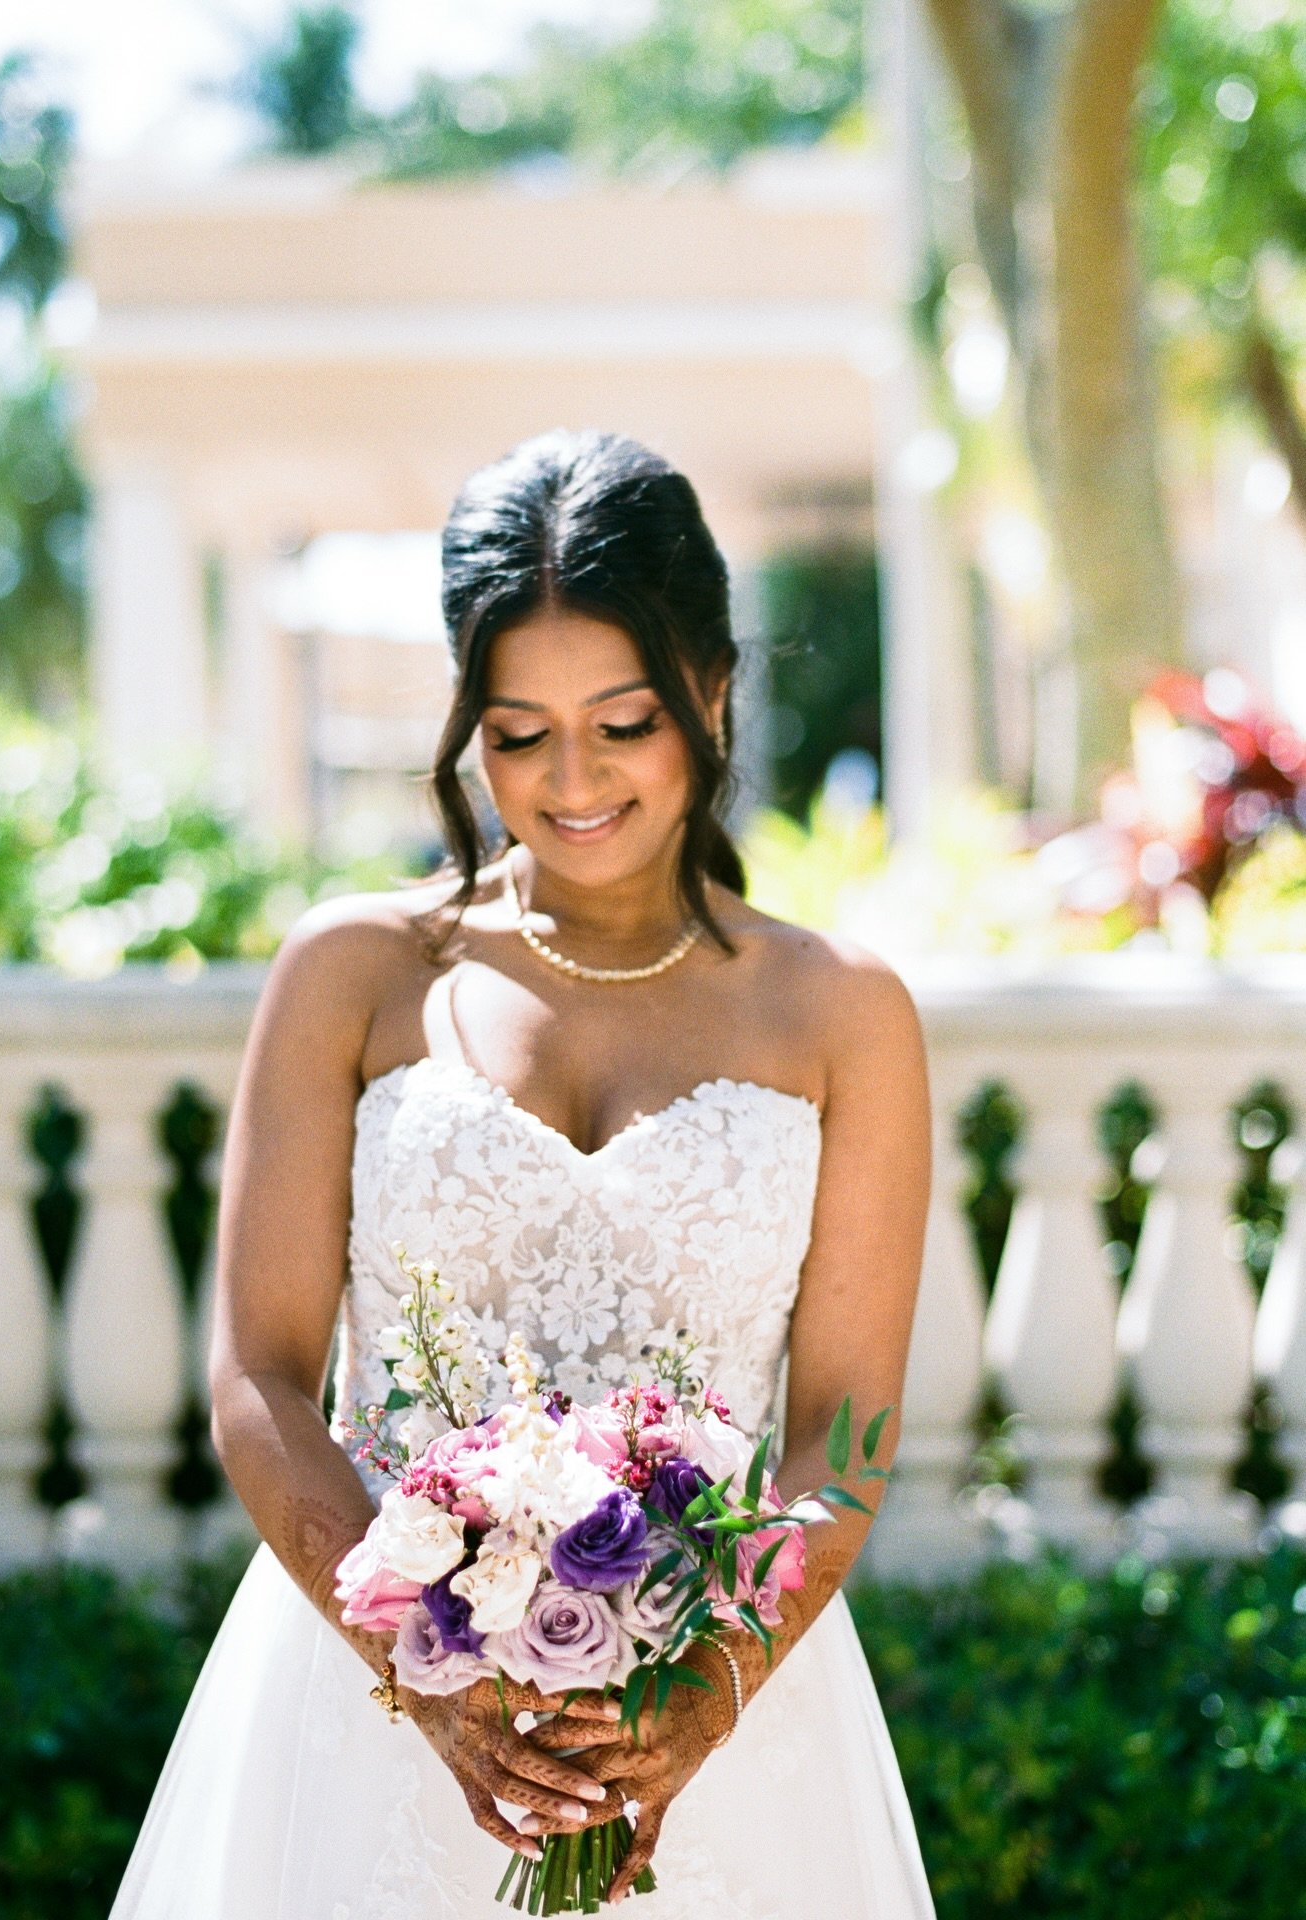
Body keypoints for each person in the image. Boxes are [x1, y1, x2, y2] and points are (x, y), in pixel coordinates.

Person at [109, 430, 938, 1919]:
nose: (570, 782)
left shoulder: (841, 1013)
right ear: (464, 726)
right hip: (358, 1720)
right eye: (517, 731)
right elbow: (261, 1376)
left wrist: (715, 1692)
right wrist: (423, 1679)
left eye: (624, 723)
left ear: (714, 690)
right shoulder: (353, 974)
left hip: (729, 1727)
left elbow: (846, 1429)